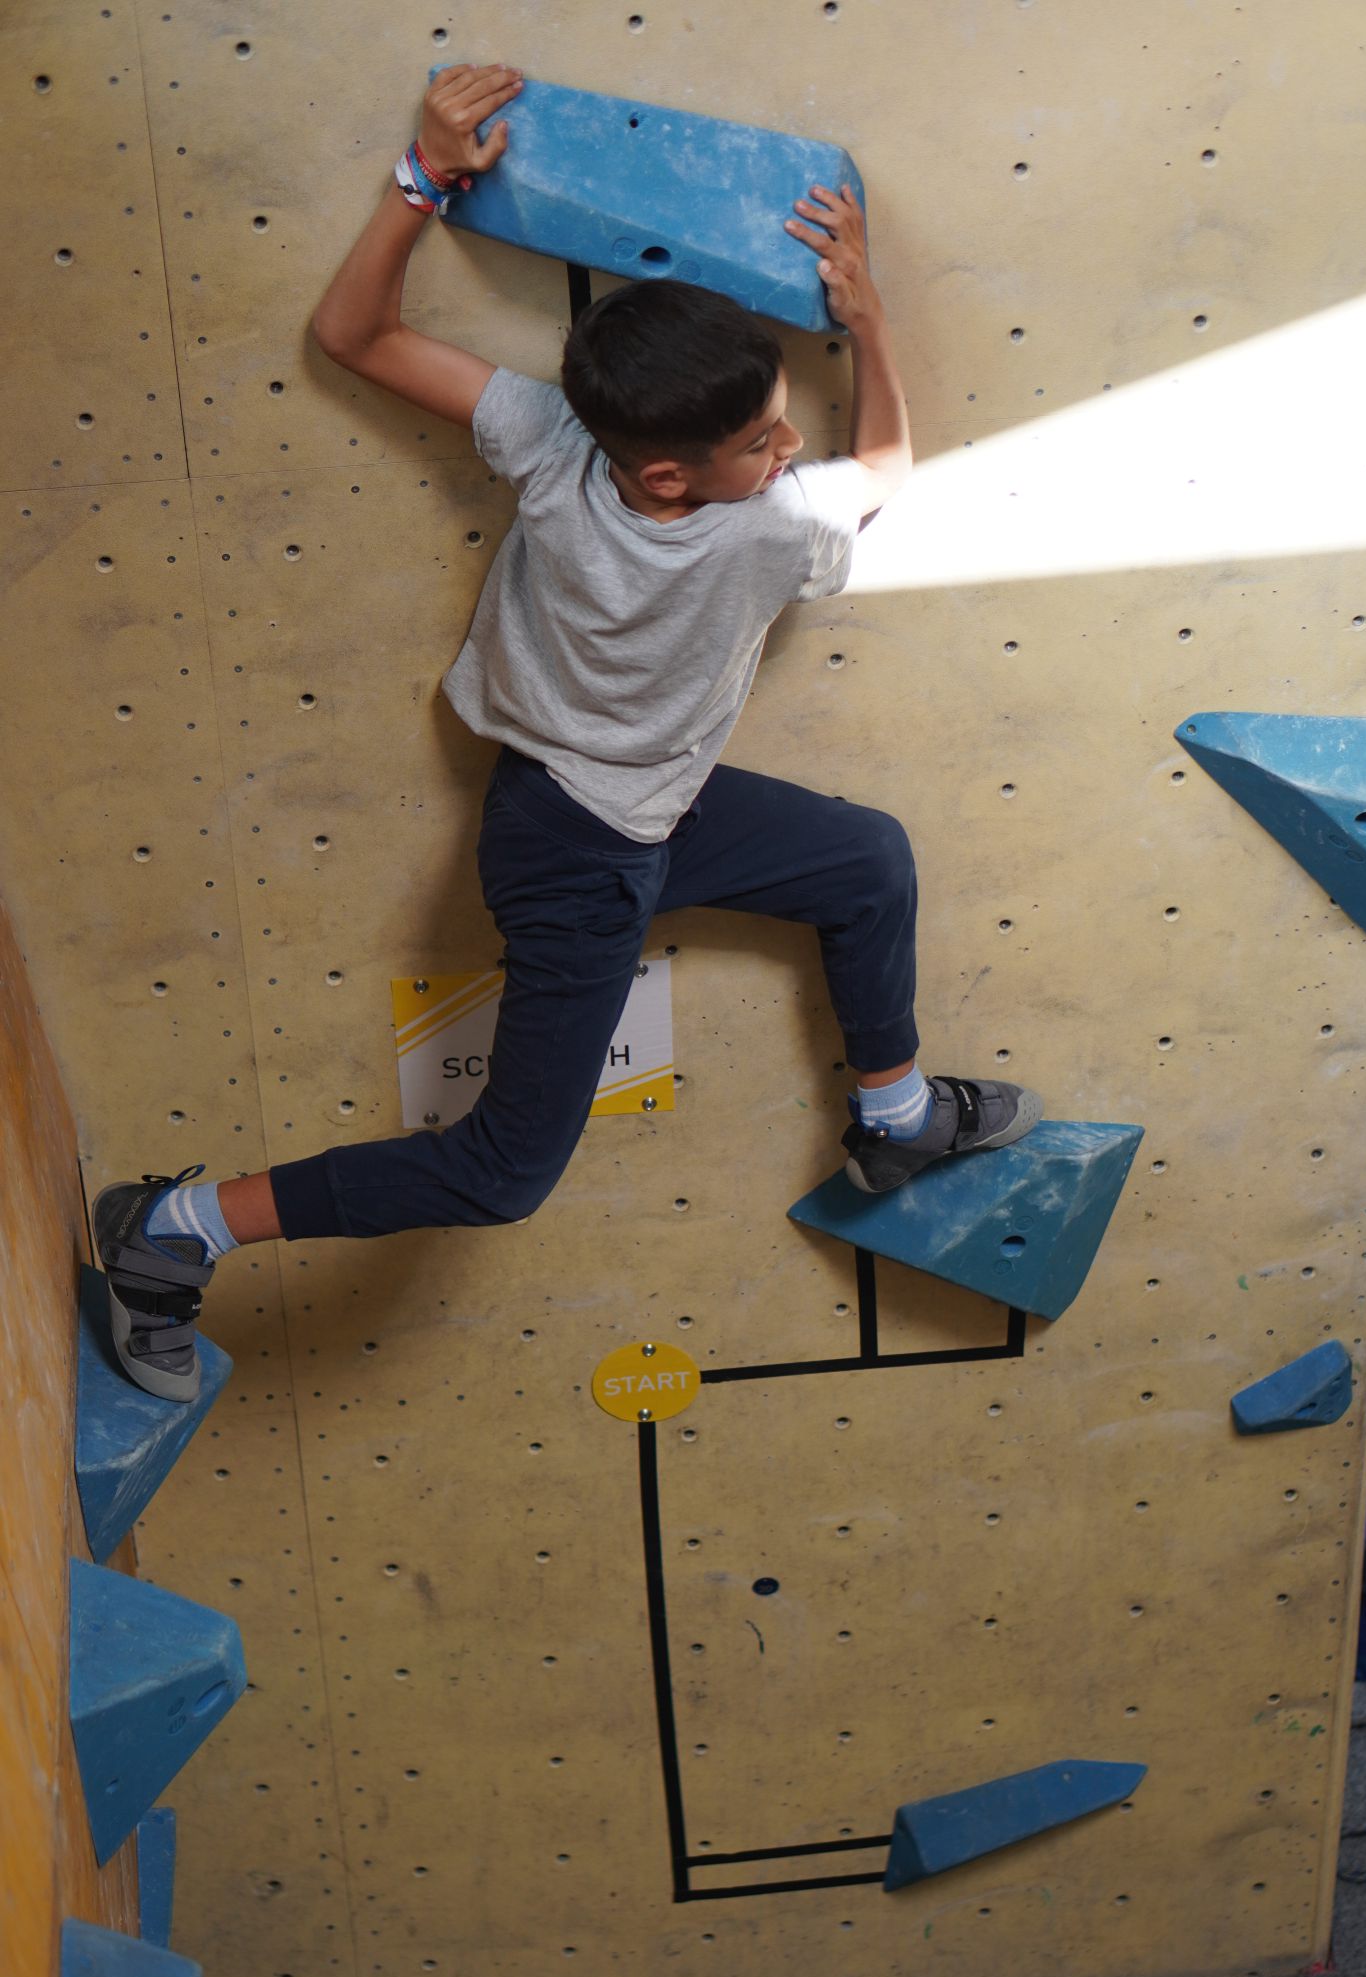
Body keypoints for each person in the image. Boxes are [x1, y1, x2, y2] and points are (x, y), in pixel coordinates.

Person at [93, 61, 1041, 1403]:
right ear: (669, 471)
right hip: (575, 857)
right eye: (766, 438)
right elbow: (886, 467)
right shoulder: (773, 531)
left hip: (642, 806)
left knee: (864, 859)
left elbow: (355, 335)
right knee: (501, 1175)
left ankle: (894, 1119)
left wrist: (425, 179)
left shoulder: (553, 441)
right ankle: (172, 1230)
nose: (787, 451)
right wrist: (871, 324)